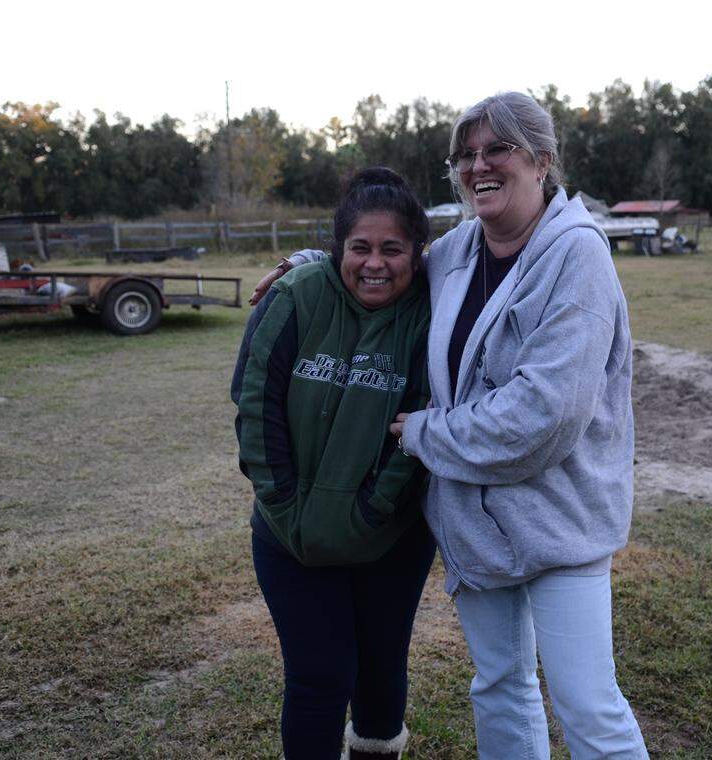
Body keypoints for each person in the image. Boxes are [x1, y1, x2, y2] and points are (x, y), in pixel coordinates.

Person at [254, 93, 647, 759]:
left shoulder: (577, 258)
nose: (478, 166)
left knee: (587, 705)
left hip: (561, 522)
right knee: (500, 685)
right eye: (466, 155)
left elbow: (543, 416)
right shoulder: (462, 250)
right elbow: (384, 262)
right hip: (475, 521)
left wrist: (425, 433)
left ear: (542, 160)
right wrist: (308, 268)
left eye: (497, 149)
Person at [233, 167, 436, 760]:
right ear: (337, 249)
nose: (376, 263)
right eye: (361, 248)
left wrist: (373, 509)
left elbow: (421, 416)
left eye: (393, 249)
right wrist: (284, 505)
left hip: (389, 538)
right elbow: (254, 404)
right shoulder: (296, 296)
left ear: (417, 255)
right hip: (287, 535)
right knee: (319, 676)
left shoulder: (433, 314)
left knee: (379, 668)